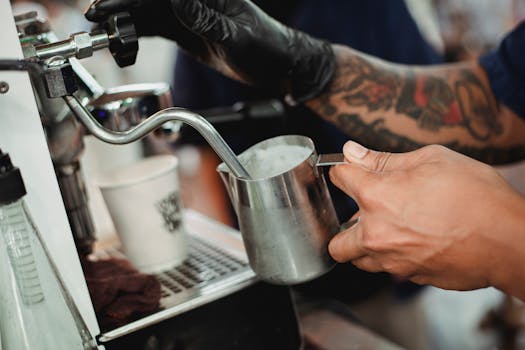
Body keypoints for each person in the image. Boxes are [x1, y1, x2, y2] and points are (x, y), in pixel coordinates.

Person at [85, 0, 525, 300]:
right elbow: (498, 104)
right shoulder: (221, 32)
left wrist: (497, 239)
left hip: (386, 284)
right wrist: (307, 67)